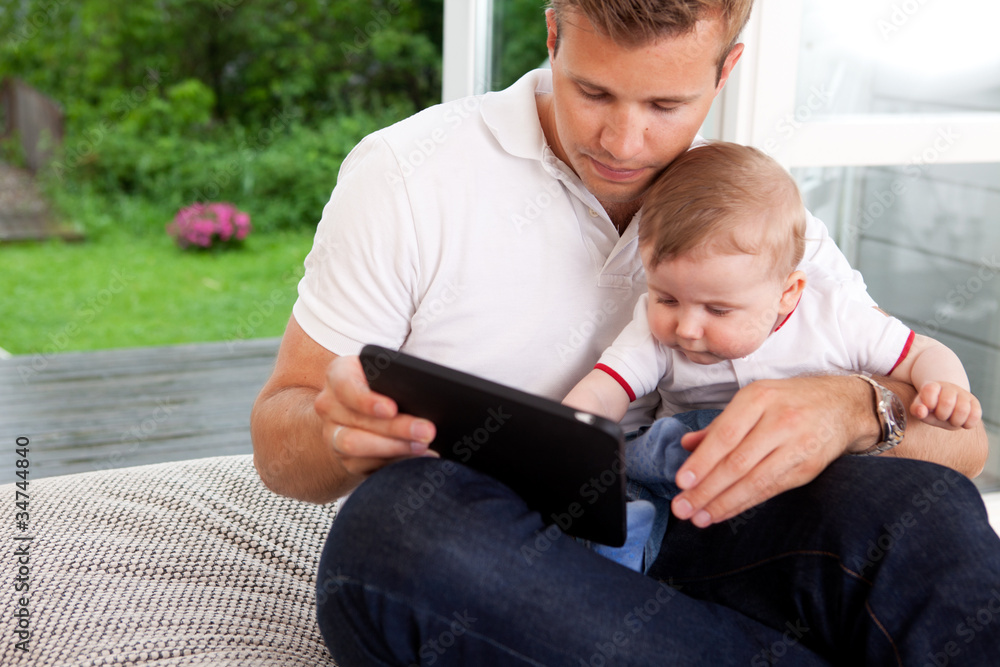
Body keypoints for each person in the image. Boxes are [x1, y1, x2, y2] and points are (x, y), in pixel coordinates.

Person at [250, 0, 1000, 664]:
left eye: (666, 104)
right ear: (552, 33)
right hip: (511, 551)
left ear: (726, 69)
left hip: (699, 524)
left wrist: (852, 409)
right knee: (394, 535)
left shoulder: (746, 206)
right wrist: (335, 433)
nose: (624, 140)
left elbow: (964, 451)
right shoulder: (407, 176)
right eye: (593, 91)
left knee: (921, 512)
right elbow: (280, 443)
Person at [562, 141, 982, 570]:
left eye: (718, 310)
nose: (685, 329)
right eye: (666, 298)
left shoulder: (834, 314)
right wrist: (565, 430)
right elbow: (606, 387)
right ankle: (622, 549)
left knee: (709, 428)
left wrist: (946, 388)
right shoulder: (655, 330)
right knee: (625, 496)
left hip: (796, 474)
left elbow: (922, 353)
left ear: (787, 294)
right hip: (684, 489)